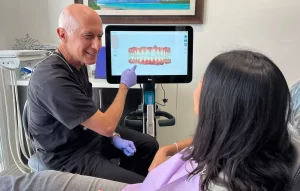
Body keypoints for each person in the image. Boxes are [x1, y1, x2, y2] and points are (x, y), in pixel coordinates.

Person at [122, 50, 297, 190]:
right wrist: (168, 149)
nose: (196, 90)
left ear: (219, 104)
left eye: (202, 83)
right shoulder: (248, 143)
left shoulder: (222, 184)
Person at [27, 4, 158, 184]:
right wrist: (124, 86)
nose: (97, 45)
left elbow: (92, 118)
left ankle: (120, 184)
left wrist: (114, 138)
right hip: (68, 156)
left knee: (149, 146)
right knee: (139, 186)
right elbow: (106, 126)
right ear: (62, 34)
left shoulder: (77, 64)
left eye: (100, 36)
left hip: (87, 137)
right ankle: (128, 185)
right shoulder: (52, 79)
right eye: (88, 36)